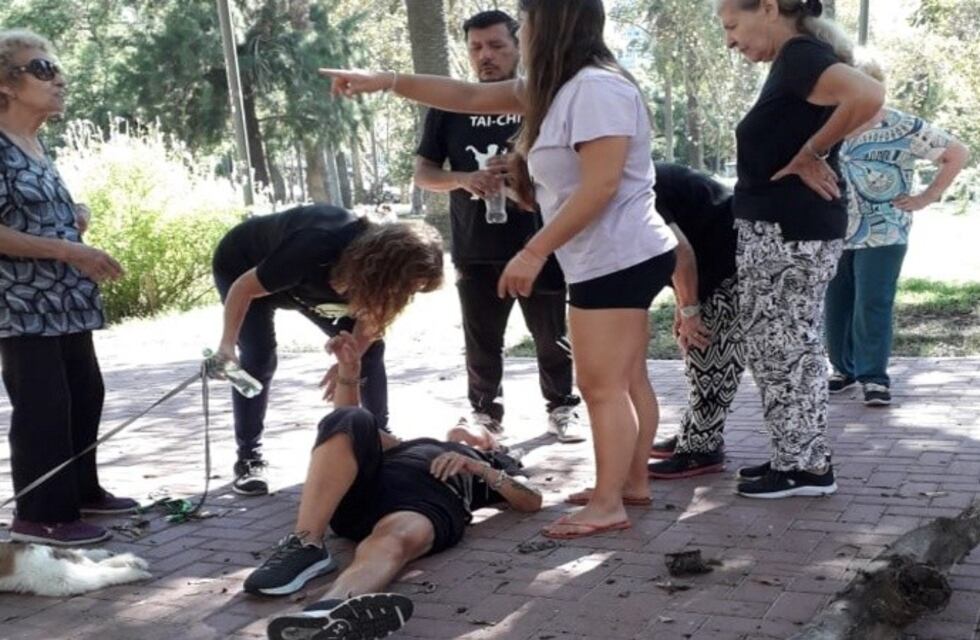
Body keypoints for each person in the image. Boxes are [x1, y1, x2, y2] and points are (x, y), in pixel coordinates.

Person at [322, 0, 677, 539]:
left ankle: (609, 502)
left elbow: (601, 186)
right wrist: (385, 80)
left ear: (552, 24)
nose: (523, 29)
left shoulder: (596, 89)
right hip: (612, 255)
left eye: (527, 20)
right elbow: (464, 96)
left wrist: (534, 251)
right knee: (625, 379)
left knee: (601, 386)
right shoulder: (557, 86)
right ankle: (629, 486)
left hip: (616, 256)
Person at [244, 331, 541, 640]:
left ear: (493, 443)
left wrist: (480, 467)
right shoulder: (411, 443)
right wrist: (349, 371)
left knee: (392, 540)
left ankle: (327, 614)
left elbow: (531, 501)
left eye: (477, 426)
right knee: (352, 418)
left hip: (426, 505)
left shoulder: (491, 463)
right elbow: (347, 423)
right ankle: (307, 543)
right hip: (366, 495)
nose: (463, 423)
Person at [716, 0, 884, 498]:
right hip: (785, 229)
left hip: (788, 231)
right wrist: (816, 147)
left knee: (785, 345)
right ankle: (798, 455)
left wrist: (813, 152)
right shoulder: (796, 61)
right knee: (783, 345)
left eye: (732, 25)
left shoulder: (799, 55)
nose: (730, 40)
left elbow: (869, 94)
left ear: (767, 7)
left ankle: (805, 468)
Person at [413, 9, 582, 443]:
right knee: (482, 341)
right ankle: (486, 415)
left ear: (518, 46)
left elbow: (574, 166)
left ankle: (562, 408)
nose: (485, 56)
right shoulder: (449, 104)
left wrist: (522, 169)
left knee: (551, 336)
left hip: (537, 240)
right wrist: (462, 179)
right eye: (475, 47)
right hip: (475, 244)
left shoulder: (540, 98)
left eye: (496, 46)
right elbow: (424, 174)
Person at [0, 29, 137, 545]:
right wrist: (68, 250)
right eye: (42, 68)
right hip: (20, 306)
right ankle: (40, 514)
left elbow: (24, 214)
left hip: (66, 303)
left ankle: (81, 492)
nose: (59, 78)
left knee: (84, 394)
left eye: (57, 69)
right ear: (5, 84)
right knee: (44, 406)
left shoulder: (34, 144)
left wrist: (71, 219)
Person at [212, 204, 443, 496]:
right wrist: (227, 345)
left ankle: (377, 439)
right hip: (245, 266)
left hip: (302, 283)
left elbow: (371, 325)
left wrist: (348, 363)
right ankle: (248, 458)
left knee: (369, 352)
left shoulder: (373, 278)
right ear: (384, 267)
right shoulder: (316, 244)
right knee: (258, 356)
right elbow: (244, 288)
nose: (405, 295)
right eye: (405, 287)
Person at [825, 54, 970, 407]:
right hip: (833, 229)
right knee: (836, 303)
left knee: (872, 302)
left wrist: (928, 196)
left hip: (884, 230)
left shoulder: (902, 126)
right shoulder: (827, 125)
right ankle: (843, 369)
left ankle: (873, 378)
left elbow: (957, 153)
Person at [645, 163, 746, 479]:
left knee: (710, 348)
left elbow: (680, 252)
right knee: (700, 347)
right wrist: (685, 303)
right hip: (713, 255)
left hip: (728, 258)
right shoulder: (637, 176)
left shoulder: (636, 186)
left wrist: (690, 309)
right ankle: (696, 432)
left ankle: (702, 448)